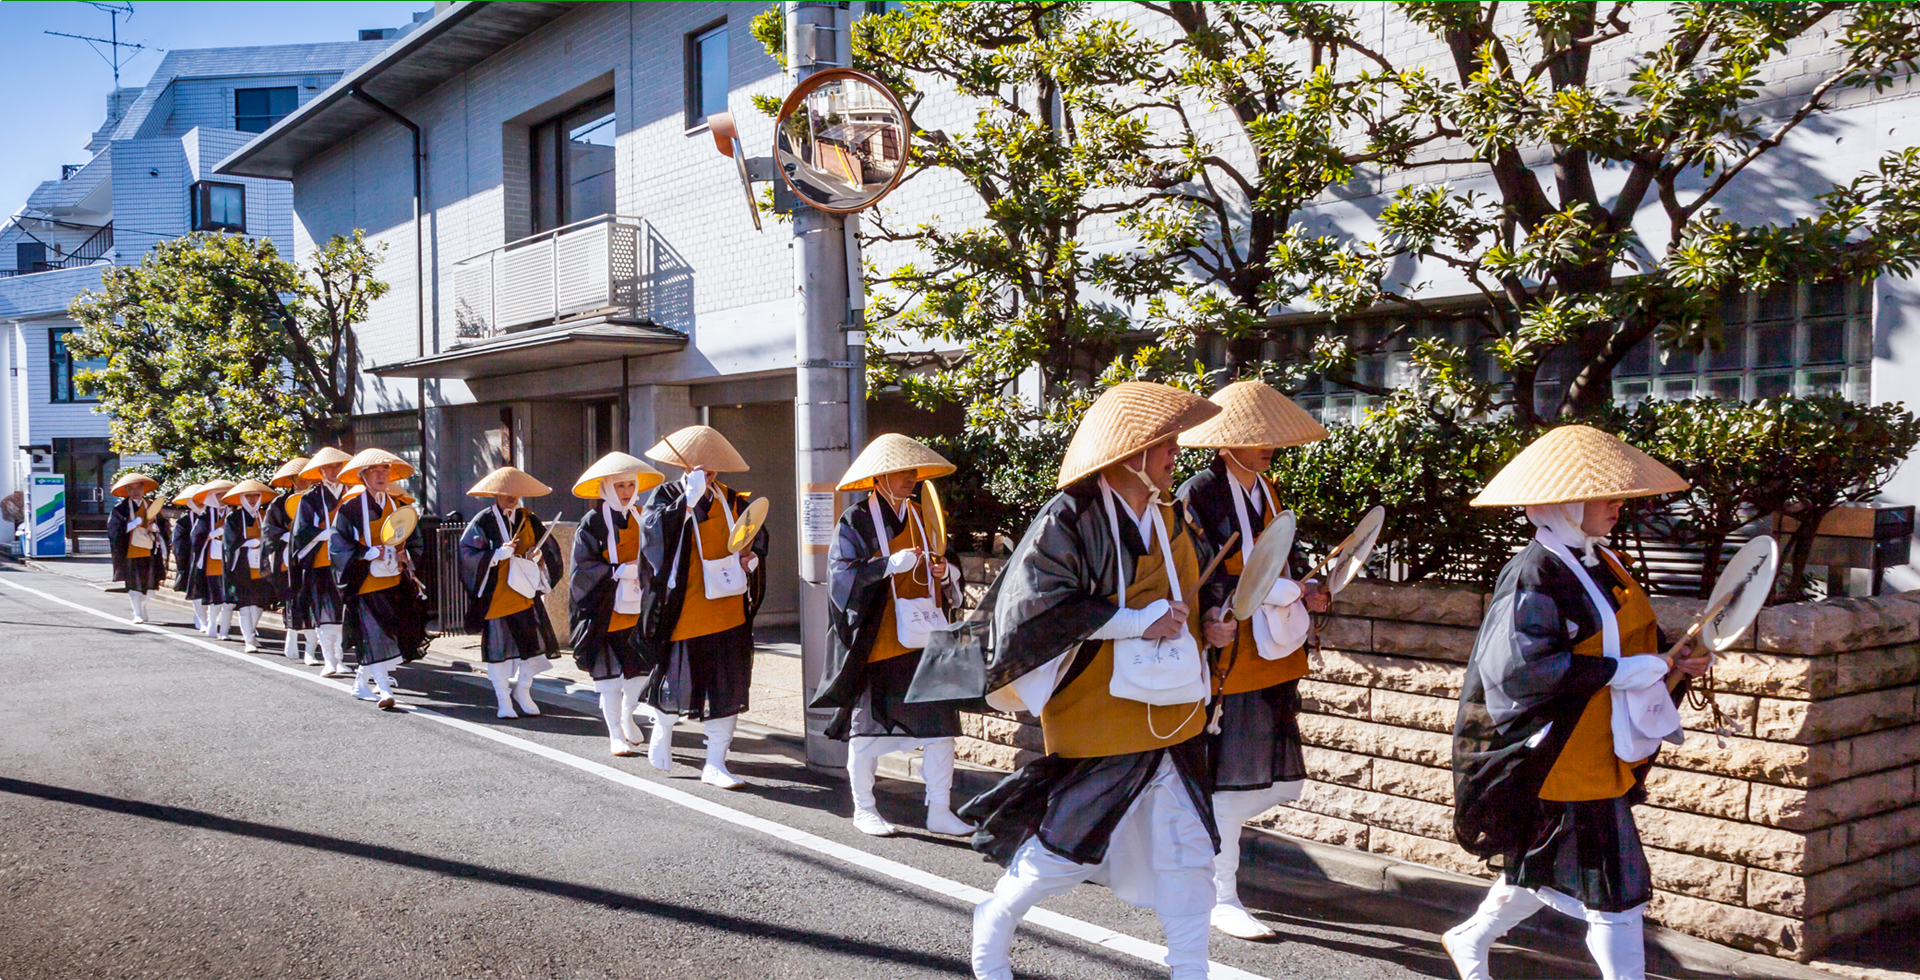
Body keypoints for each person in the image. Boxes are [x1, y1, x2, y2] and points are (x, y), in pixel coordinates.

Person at [960, 382, 1225, 980]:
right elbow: (1036, 605)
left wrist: (1212, 619)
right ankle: (996, 917)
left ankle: (1190, 967)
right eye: (1165, 445)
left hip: (1173, 705)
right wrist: (1136, 622)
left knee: (1190, 850)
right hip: (1099, 704)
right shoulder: (1070, 514)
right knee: (1065, 847)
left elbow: (1195, 587)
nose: (1175, 454)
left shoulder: (1169, 512)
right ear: (1132, 453)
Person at [1444, 425, 1710, 980]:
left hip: (1597, 746)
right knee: (1616, 887)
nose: (1618, 504)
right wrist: (1625, 670)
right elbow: (1520, 670)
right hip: (1561, 756)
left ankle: (1469, 937)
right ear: (1564, 502)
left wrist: (1672, 662)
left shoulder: (1601, 561)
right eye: (1604, 495)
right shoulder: (1533, 571)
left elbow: (1630, 644)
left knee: (1546, 861)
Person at [1173, 380, 1331, 940]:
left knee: (1254, 762)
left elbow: (1288, 553)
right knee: (1228, 766)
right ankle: (1220, 891)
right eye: (1254, 436)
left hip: (1269, 642)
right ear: (1225, 443)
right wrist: (1214, 615)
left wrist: (1312, 587)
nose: (1267, 445)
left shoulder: (1269, 488)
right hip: (1230, 641)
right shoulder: (1198, 492)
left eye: (1270, 437)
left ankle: (1206, 870)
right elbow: (1195, 569)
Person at [813, 434, 972, 837]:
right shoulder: (856, 520)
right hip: (879, 639)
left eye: (914, 472)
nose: (911, 479)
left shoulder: (924, 514)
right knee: (867, 730)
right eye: (903, 472)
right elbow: (841, 577)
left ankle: (939, 807)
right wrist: (886, 565)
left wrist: (945, 573)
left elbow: (948, 562)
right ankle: (864, 807)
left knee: (941, 730)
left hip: (925, 640)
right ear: (880, 477)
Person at [639, 425, 768, 789]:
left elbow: (756, 536)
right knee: (678, 680)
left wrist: (751, 559)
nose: (707, 469)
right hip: (687, 605)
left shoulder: (733, 499)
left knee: (729, 685)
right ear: (685, 464)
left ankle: (716, 763)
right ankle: (662, 730)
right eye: (700, 462)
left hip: (728, 608)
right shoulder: (666, 494)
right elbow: (652, 539)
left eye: (713, 464)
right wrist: (685, 503)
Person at [568, 452, 667, 756]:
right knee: (609, 678)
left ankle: (627, 714)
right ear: (607, 487)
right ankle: (614, 733)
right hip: (605, 609)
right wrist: (616, 572)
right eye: (620, 485)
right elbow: (582, 566)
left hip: (640, 607)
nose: (626, 492)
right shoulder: (592, 522)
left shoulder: (643, 515)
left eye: (630, 485)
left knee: (640, 673)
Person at [457, 466, 565, 720]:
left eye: (516, 492)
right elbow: (466, 554)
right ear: (495, 493)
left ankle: (523, 691)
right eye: (506, 492)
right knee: (498, 650)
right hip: (497, 595)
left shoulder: (529, 518)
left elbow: (549, 549)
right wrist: (494, 555)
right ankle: (502, 699)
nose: (511, 496)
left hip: (525, 595)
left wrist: (539, 556)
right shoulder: (483, 521)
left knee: (534, 647)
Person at [329, 448, 428, 710]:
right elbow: (338, 546)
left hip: (393, 579)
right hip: (364, 580)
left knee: (388, 634)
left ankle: (361, 684)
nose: (381, 476)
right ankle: (384, 689)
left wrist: (408, 555)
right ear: (363, 476)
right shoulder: (349, 509)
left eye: (385, 471)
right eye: (375, 471)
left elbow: (415, 540)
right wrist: (367, 552)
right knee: (374, 634)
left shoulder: (399, 506)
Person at [290, 447, 353, 677]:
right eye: (329, 467)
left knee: (343, 612)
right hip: (321, 562)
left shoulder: (352, 493)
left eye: (338, 466)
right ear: (320, 471)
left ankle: (341, 658)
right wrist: (322, 533)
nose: (334, 471)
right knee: (324, 611)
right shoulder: (310, 498)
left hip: (347, 561)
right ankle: (329, 659)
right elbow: (301, 531)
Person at [265, 457, 320, 664]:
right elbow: (269, 529)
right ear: (291, 480)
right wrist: (285, 536)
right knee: (292, 598)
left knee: (313, 599)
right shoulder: (279, 503)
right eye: (299, 477)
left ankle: (311, 650)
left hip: (314, 553)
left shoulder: (318, 500)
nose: (303, 481)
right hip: (288, 556)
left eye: (307, 477)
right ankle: (291, 634)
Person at [221, 479, 282, 653]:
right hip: (243, 566)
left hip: (263, 566)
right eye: (249, 496)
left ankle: (251, 633)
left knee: (259, 605)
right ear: (242, 498)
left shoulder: (265, 515)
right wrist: (248, 543)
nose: (253, 500)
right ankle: (248, 638)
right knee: (246, 604)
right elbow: (229, 542)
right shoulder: (234, 517)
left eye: (256, 496)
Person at [106, 472, 169, 624]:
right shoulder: (120, 509)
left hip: (150, 551)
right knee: (133, 583)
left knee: (151, 586)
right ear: (127, 490)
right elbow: (113, 530)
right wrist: (131, 525)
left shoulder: (152, 506)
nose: (135, 492)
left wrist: (155, 527)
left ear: (143, 488)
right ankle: (137, 612)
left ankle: (143, 606)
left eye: (138, 488)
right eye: (131, 489)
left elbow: (165, 527)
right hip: (130, 551)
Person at [193, 480, 236, 641]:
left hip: (229, 558)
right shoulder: (206, 514)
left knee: (229, 596)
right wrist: (211, 534)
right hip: (212, 558)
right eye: (218, 494)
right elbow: (196, 536)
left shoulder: (234, 512)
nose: (222, 498)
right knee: (215, 593)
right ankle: (212, 624)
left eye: (225, 494)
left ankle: (224, 629)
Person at [170, 483, 205, 629]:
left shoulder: (213, 516)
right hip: (192, 560)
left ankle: (211, 618)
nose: (200, 503)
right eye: (195, 500)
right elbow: (178, 544)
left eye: (201, 499)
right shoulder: (183, 521)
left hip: (211, 558)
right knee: (196, 590)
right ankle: (202, 618)